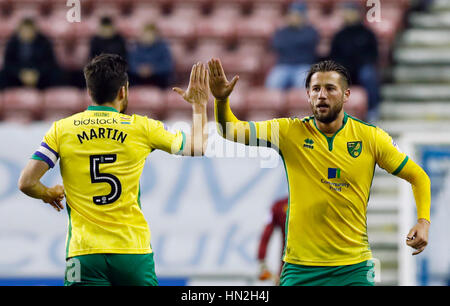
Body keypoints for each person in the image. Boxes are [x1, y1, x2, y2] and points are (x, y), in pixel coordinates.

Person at [209, 58, 431, 286]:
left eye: (330, 89)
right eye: (316, 89)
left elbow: (419, 177)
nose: (322, 95)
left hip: (353, 269)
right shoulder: (289, 132)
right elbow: (230, 130)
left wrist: (423, 221)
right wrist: (221, 99)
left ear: (346, 95)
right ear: (308, 95)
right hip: (299, 269)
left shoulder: (370, 138)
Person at [17, 54, 209, 286]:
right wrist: (199, 104)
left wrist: (47, 193)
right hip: (132, 252)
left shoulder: (62, 129)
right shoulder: (141, 128)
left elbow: (26, 182)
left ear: (90, 91)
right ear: (123, 91)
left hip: (83, 255)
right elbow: (199, 146)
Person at [329, 2, 380, 122]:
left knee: (368, 74)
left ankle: (372, 109)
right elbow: (333, 56)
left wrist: (359, 63)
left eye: (350, 12)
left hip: (361, 68)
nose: (347, 15)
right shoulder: (339, 35)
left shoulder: (367, 33)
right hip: (344, 69)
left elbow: (373, 54)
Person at [265, 2, 319, 90]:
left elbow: (310, 43)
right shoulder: (282, 31)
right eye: (293, 14)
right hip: (284, 65)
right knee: (273, 83)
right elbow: (277, 45)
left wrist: (292, 41)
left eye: (298, 15)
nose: (294, 17)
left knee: (302, 85)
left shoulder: (311, 31)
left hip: (303, 66)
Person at [0, 18, 61, 89]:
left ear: (35, 31)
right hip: (18, 75)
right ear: (19, 31)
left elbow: (49, 62)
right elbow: (8, 63)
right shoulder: (12, 43)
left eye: (29, 30)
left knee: (55, 74)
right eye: (24, 30)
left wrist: (36, 74)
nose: (27, 33)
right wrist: (21, 74)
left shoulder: (44, 42)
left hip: (39, 75)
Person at [128, 23, 174, 89]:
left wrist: (152, 70)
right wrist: (139, 70)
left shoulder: (163, 48)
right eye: (145, 34)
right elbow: (131, 64)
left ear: (156, 35)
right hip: (138, 81)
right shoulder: (135, 47)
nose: (147, 37)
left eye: (150, 34)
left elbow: (168, 66)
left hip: (158, 82)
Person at [257, 197, 288, 284]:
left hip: (288, 268)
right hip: (318, 265)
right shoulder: (279, 205)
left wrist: (262, 260)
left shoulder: (279, 205)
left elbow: (266, 234)